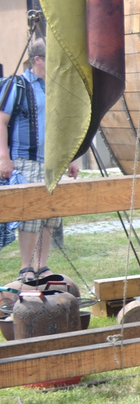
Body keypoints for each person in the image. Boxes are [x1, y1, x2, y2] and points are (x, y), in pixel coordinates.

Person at [0, 40, 79, 281]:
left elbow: (62, 125)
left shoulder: (54, 86)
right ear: (37, 60)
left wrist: (71, 158)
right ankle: (26, 268)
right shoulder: (17, 85)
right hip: (26, 160)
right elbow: (1, 121)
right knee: (30, 215)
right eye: (51, 60)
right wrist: (3, 157)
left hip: (52, 163)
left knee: (50, 215)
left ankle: (41, 266)